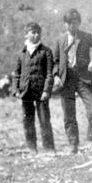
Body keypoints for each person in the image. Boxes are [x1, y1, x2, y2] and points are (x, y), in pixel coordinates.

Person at [52, 8, 92, 153]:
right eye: (68, 23)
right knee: (69, 114)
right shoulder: (60, 41)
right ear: (64, 24)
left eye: (74, 23)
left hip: (83, 79)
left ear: (79, 23)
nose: (70, 26)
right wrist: (56, 75)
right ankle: (73, 144)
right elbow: (55, 61)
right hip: (66, 79)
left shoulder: (86, 37)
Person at [12, 21, 55, 153]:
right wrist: (15, 90)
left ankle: (49, 149)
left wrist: (46, 90)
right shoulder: (21, 53)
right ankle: (32, 148)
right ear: (26, 35)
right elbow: (16, 74)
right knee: (28, 121)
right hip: (26, 92)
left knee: (44, 120)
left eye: (38, 33)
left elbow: (49, 73)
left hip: (41, 92)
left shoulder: (46, 51)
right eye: (33, 33)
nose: (36, 35)